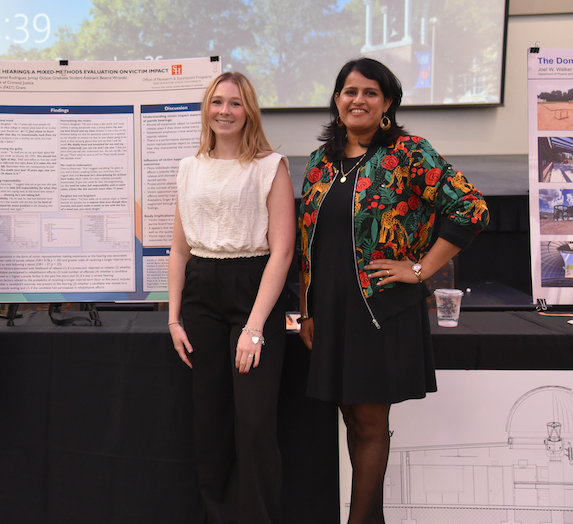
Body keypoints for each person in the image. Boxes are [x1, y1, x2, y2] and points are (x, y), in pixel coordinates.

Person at [297, 58, 489, 524]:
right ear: (337, 100)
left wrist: (420, 269)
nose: (358, 100)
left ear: (387, 103)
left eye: (370, 92)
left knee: (369, 422)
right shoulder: (320, 162)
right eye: (350, 91)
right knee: (351, 418)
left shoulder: (408, 152)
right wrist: (307, 310)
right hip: (331, 310)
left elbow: (471, 207)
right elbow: (308, 244)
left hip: (378, 311)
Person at [167, 72, 295, 524]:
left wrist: (254, 328)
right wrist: (174, 319)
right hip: (201, 295)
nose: (224, 110)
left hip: (253, 293)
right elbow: (179, 249)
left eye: (235, 103)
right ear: (206, 108)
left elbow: (283, 252)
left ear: (249, 111)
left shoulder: (270, 166)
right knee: (212, 423)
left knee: (255, 425)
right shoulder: (188, 168)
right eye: (217, 101)